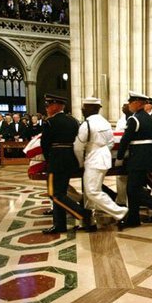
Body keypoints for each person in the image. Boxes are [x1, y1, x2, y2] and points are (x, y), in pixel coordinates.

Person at [41, 94, 94, 234]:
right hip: (70, 160)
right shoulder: (74, 121)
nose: (46, 108)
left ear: (57, 106)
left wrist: (48, 161)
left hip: (56, 161)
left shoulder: (50, 122)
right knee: (61, 193)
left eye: (48, 105)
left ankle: (83, 214)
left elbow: (45, 145)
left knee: (55, 194)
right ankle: (59, 225)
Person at [115, 91, 152, 229]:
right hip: (147, 158)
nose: (129, 105)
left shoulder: (134, 119)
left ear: (138, 103)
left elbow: (125, 140)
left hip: (137, 159)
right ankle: (133, 218)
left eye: (131, 102)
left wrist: (119, 157)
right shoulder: (150, 119)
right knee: (134, 188)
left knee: (132, 189)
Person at [73, 97, 128, 225]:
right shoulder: (105, 122)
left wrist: (80, 162)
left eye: (84, 107)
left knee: (92, 191)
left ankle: (119, 212)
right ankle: (89, 219)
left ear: (91, 108)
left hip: (93, 160)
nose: (82, 109)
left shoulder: (87, 124)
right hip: (104, 158)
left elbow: (78, 147)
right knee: (90, 190)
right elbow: (111, 142)